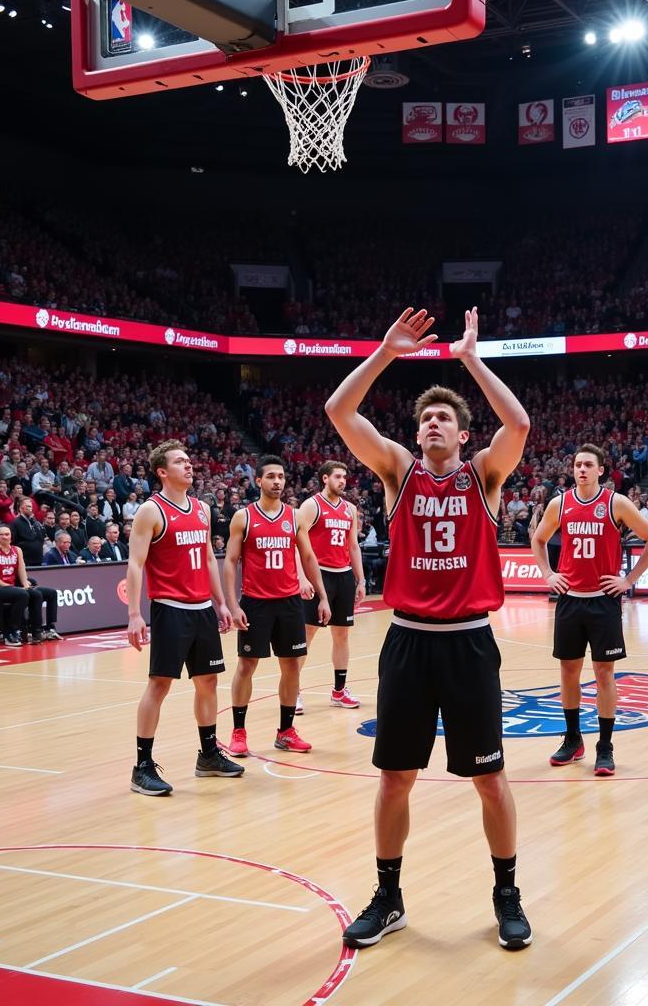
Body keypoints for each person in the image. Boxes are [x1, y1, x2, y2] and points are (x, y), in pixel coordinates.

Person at [326, 306, 533, 951]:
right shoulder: (396, 472)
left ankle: (507, 893)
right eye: (425, 418)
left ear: (464, 435)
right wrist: (386, 353)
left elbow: (520, 423)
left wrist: (470, 360)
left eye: (444, 417)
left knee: (489, 779)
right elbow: (340, 412)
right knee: (395, 776)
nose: (433, 423)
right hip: (409, 641)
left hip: (469, 641)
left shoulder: (486, 478)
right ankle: (388, 895)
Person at [531, 443, 648, 776]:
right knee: (568, 672)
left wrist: (629, 579)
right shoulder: (559, 504)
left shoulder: (615, 503)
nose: (582, 469)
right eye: (577, 464)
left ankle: (605, 746)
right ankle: (573, 739)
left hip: (603, 600)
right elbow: (538, 539)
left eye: (588, 465)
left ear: (601, 470)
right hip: (570, 599)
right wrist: (548, 574)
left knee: (604, 673)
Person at [125, 439, 244, 796]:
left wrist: (221, 602)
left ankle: (208, 755)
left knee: (207, 682)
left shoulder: (202, 509)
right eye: (180, 462)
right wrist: (134, 614)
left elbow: (209, 558)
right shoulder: (151, 510)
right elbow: (135, 564)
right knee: (159, 684)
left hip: (202, 609)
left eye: (189, 461)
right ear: (162, 472)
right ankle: (142, 765)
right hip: (169, 608)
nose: (189, 465)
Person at [224, 455, 329, 758]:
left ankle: (285, 731)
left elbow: (308, 558)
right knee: (246, 665)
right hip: (255, 603)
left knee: (292, 665)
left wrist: (322, 595)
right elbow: (230, 562)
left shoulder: (294, 517)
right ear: (258, 481)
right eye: (271, 476)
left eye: (281, 477)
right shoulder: (243, 517)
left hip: (289, 603)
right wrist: (233, 604)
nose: (277, 482)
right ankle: (238, 732)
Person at [295, 460, 366, 714]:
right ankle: (293, 691)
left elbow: (353, 546)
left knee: (342, 635)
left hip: (343, 575)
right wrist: (302, 578)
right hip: (319, 574)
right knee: (308, 633)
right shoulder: (311, 505)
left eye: (344, 477)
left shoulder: (349, 509)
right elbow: (296, 543)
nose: (343, 481)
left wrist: (361, 579)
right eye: (338, 476)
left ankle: (339, 690)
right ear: (325, 478)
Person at [12, 497, 47, 567]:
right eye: (28, 506)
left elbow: (42, 536)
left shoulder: (35, 522)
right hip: (26, 561)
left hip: (38, 559)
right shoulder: (15, 523)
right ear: (21, 508)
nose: (31, 508)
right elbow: (13, 542)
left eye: (31, 506)